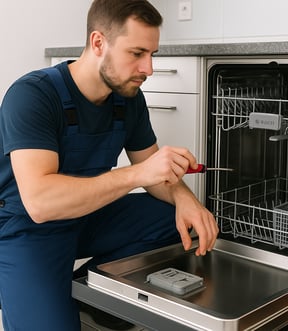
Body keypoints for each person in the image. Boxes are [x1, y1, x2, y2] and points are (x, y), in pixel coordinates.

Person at [0, 0, 219, 330]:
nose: (148, 68)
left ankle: (90, 295)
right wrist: (138, 174)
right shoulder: (33, 95)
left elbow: (154, 170)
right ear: (98, 42)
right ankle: (37, 290)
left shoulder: (128, 98)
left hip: (87, 216)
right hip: (25, 229)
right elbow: (40, 203)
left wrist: (187, 201)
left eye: (152, 55)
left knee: (175, 221)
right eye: (137, 53)